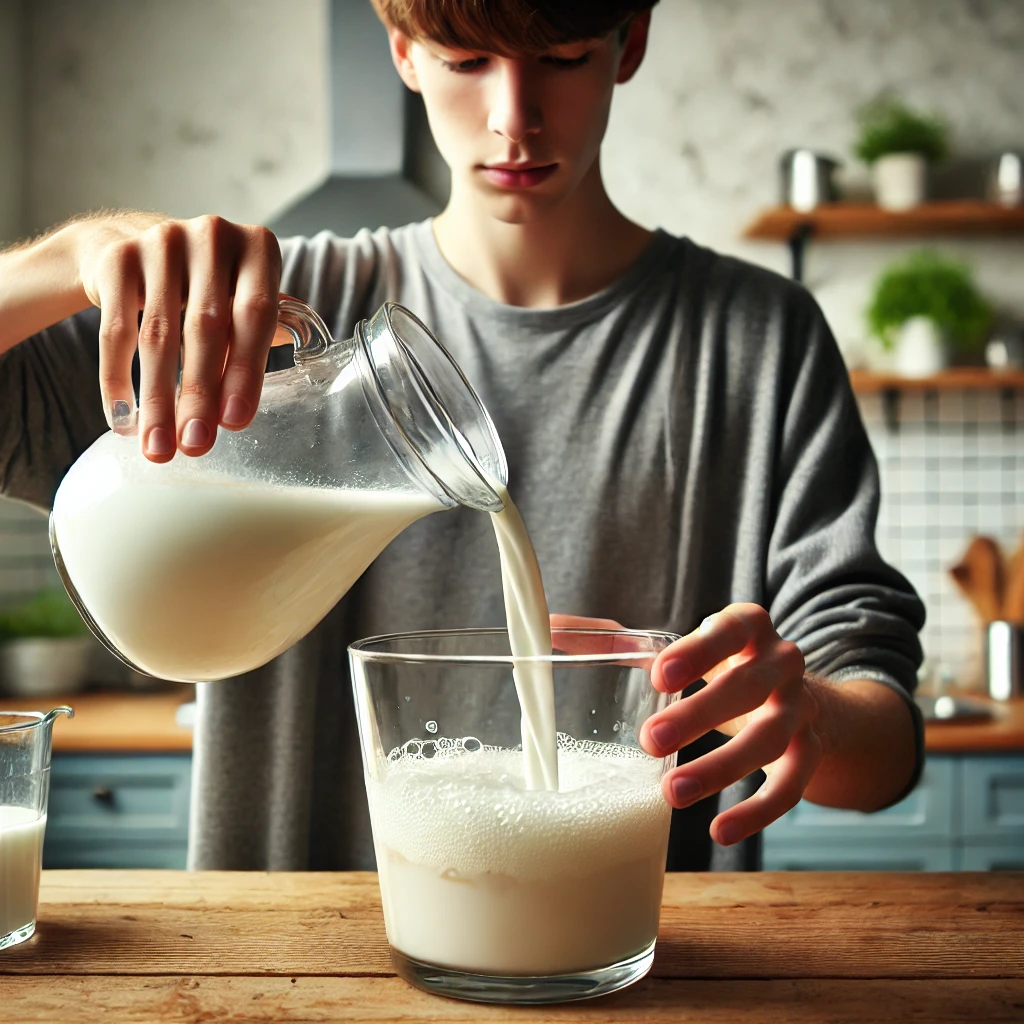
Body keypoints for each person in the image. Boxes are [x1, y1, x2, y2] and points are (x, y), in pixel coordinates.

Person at [0, 0, 924, 872]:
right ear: (402, 49)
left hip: (633, 967)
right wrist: (69, 258)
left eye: (560, 59)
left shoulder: (759, 341)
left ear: (628, 43)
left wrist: (804, 711)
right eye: (466, 60)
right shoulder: (264, 327)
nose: (512, 117)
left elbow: (884, 750)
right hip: (293, 969)